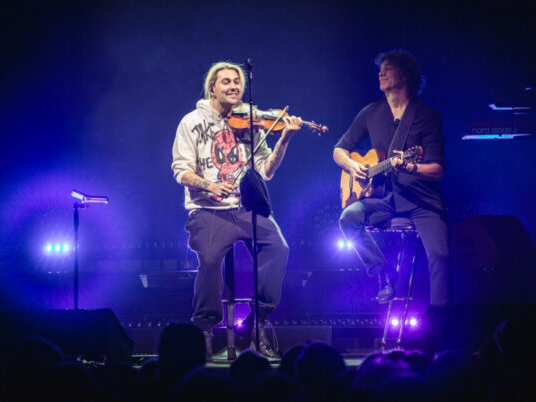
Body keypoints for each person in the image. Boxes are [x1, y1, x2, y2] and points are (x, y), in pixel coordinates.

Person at [171, 61, 302, 357]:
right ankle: (205, 328)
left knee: (278, 248)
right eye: (226, 82)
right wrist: (210, 185)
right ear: (212, 88)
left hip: (245, 208)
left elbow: (266, 170)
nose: (234, 86)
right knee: (209, 259)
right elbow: (181, 170)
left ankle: (256, 322)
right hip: (207, 210)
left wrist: (284, 138)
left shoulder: (251, 122)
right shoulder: (191, 121)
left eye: (237, 82)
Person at [333, 50, 451, 306]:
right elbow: (339, 149)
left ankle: (440, 317)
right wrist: (352, 165)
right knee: (348, 218)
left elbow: (437, 169)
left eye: (388, 67)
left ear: (406, 75)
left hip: (423, 202)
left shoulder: (427, 117)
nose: (381, 72)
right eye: (380, 68)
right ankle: (382, 272)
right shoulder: (371, 112)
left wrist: (411, 167)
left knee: (440, 256)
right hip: (388, 199)